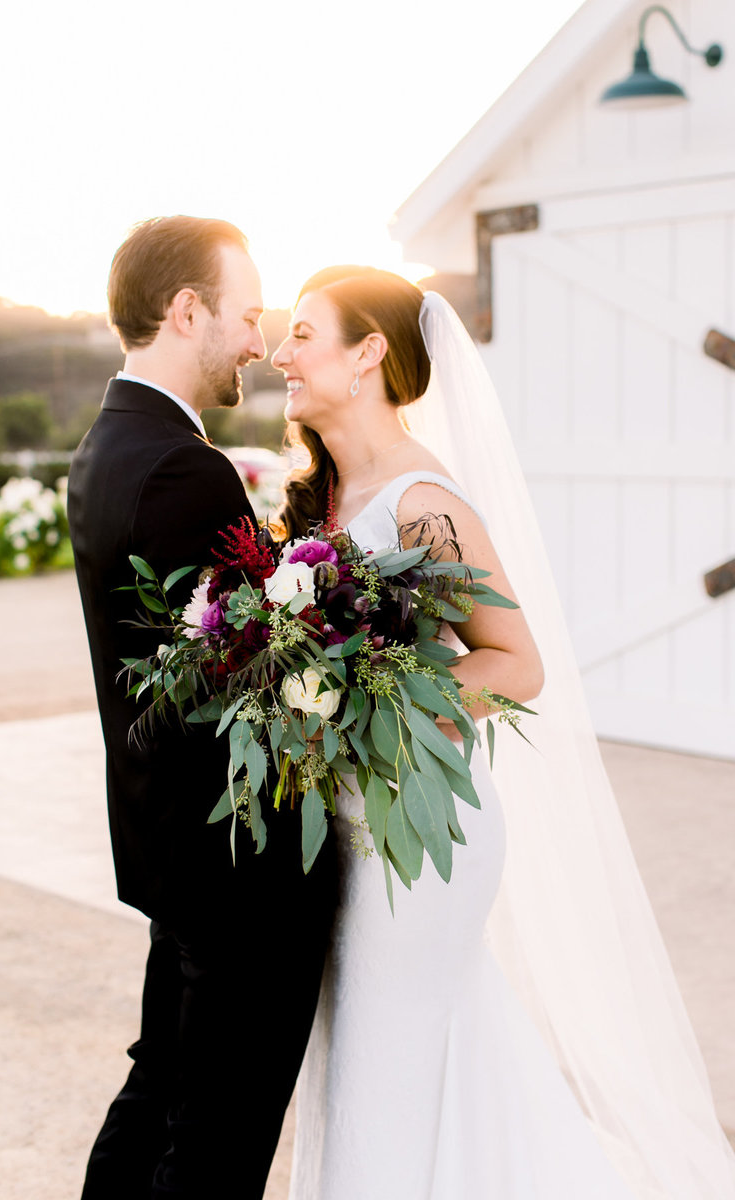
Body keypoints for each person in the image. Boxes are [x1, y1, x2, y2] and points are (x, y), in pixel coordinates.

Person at [271, 266, 735, 1199]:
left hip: (417, 830)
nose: (280, 354)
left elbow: (515, 661)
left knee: (380, 1072)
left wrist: (370, 708)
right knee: (423, 1062)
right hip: (348, 830)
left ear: (367, 354)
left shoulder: (420, 499)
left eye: (301, 333)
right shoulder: (322, 493)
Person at [67, 217, 337, 1199]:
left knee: (156, 1097)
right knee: (215, 1144)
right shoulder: (187, 467)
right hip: (237, 872)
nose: (257, 343)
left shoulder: (108, 444)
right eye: (248, 315)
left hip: (169, 845)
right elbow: (269, 665)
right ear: (188, 312)